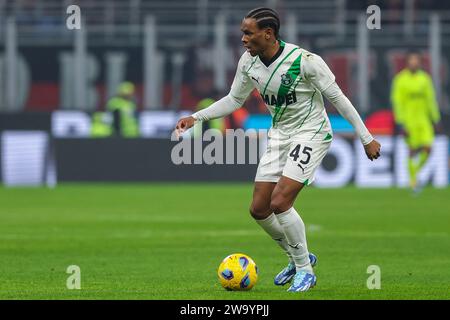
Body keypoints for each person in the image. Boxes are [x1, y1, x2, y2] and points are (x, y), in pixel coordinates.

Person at [175, 7, 381, 292]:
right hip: (279, 136)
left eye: (248, 33)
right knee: (259, 209)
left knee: (280, 201)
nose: (243, 39)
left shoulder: (305, 61)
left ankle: (305, 271)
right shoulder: (248, 62)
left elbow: (340, 100)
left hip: (311, 133)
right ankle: (298, 258)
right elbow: (234, 99)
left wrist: (366, 137)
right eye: (242, 33)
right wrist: (197, 117)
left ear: (268, 33)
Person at [391, 51, 441, 192]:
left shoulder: (425, 79)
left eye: (416, 60)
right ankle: (413, 181)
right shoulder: (400, 80)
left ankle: (415, 174)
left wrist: (435, 119)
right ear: (408, 62)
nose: (414, 62)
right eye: (411, 60)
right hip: (409, 121)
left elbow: (431, 100)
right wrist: (401, 122)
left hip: (424, 120)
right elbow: (397, 102)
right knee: (412, 151)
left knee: (428, 148)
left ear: (419, 62)